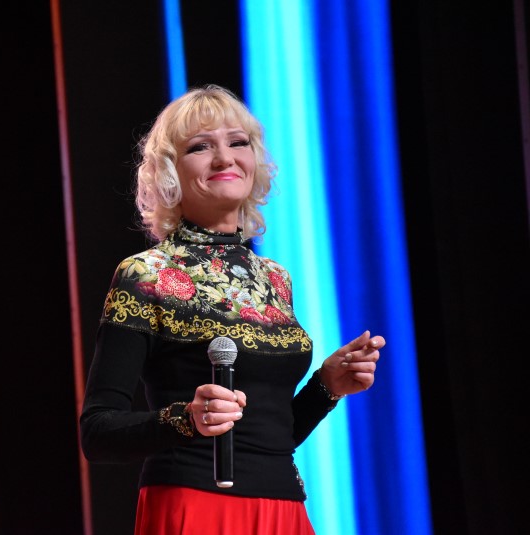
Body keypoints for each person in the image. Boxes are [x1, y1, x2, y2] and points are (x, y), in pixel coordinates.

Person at [79, 84, 384, 534]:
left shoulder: (275, 278)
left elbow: (270, 435)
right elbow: (98, 433)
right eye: (201, 147)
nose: (225, 158)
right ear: (169, 173)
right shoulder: (145, 274)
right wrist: (187, 419)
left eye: (237, 143)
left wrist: (326, 387)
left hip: (284, 510)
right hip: (195, 506)